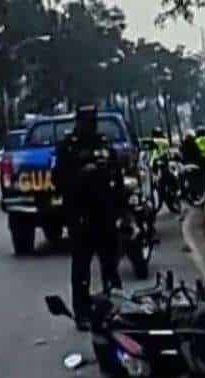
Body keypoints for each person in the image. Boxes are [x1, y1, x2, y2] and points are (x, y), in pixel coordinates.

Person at [51, 104, 125, 330]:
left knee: (110, 264)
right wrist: (80, 177)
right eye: (86, 121)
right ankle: (82, 312)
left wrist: (120, 209)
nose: (90, 125)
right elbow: (57, 180)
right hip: (81, 214)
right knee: (81, 267)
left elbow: (116, 176)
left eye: (93, 121)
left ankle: (116, 307)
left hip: (105, 213)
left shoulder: (103, 144)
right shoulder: (68, 147)